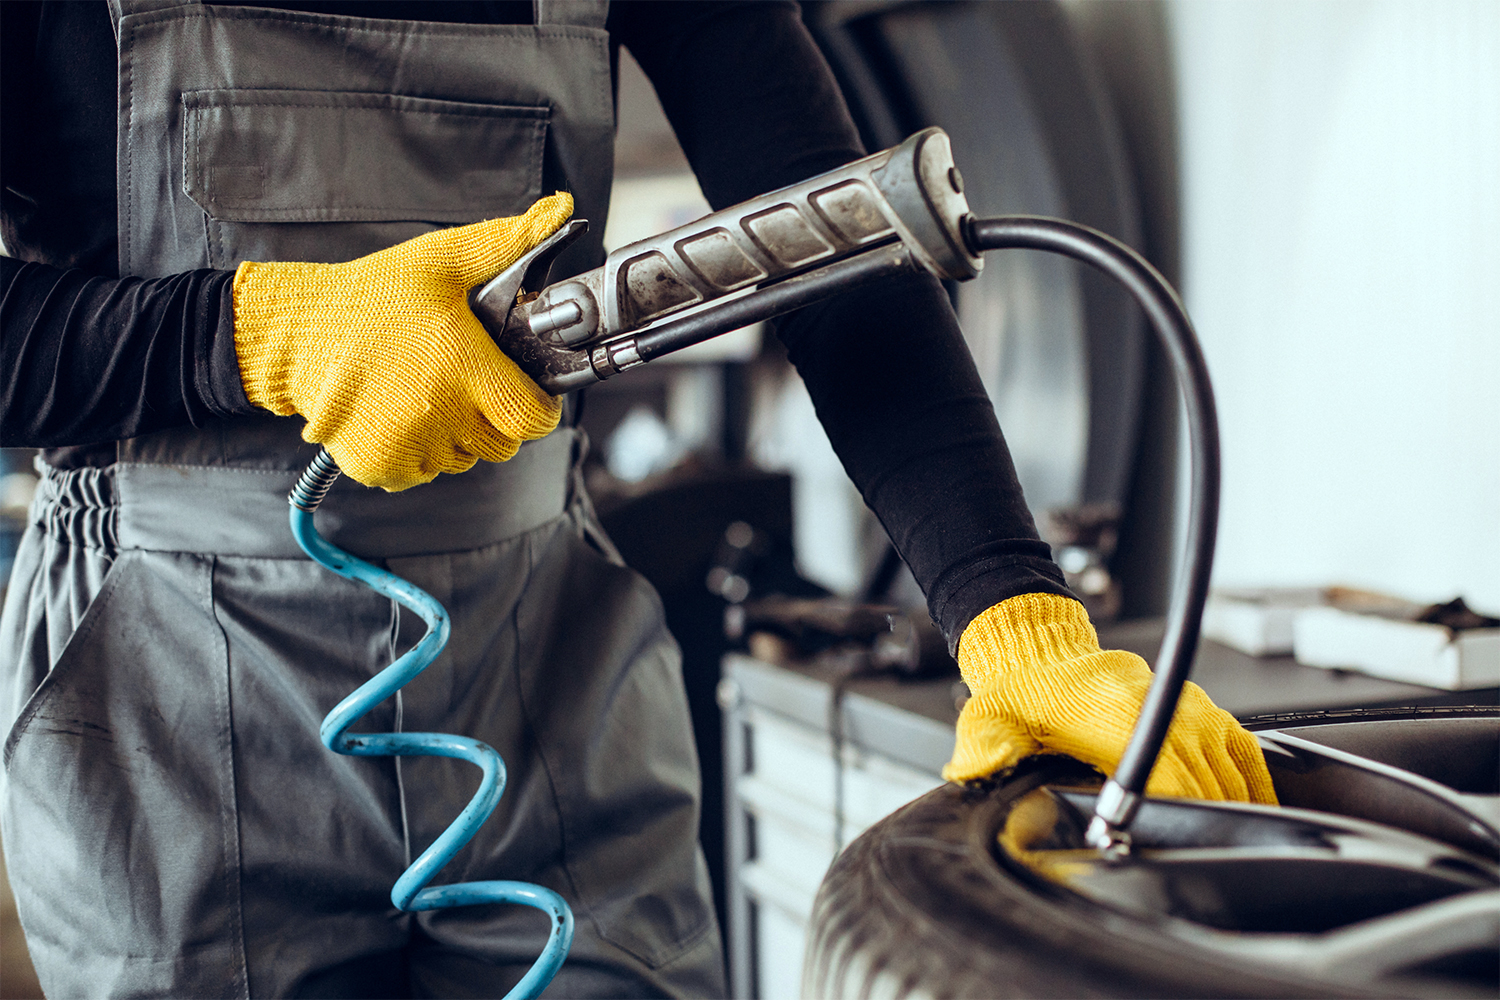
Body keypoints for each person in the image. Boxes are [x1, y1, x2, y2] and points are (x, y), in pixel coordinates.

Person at [0, 1, 1275, 996]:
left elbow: (826, 242)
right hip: (168, 695)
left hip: (548, 657)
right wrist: (257, 332)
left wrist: (1011, 613)